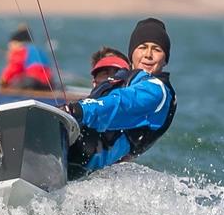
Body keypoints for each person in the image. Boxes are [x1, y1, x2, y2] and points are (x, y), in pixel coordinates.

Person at [65, 18, 177, 179]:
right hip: (79, 158)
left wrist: (78, 110)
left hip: (83, 160)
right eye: (142, 47)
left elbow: (121, 102)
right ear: (132, 54)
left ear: (165, 59)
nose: (148, 55)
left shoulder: (157, 90)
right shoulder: (127, 80)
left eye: (157, 49)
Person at [0, 26, 54, 90]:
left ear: (17, 43)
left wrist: (3, 80)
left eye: (11, 45)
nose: (10, 49)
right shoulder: (38, 50)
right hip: (48, 82)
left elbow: (14, 67)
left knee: (13, 85)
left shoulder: (22, 50)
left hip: (32, 81)